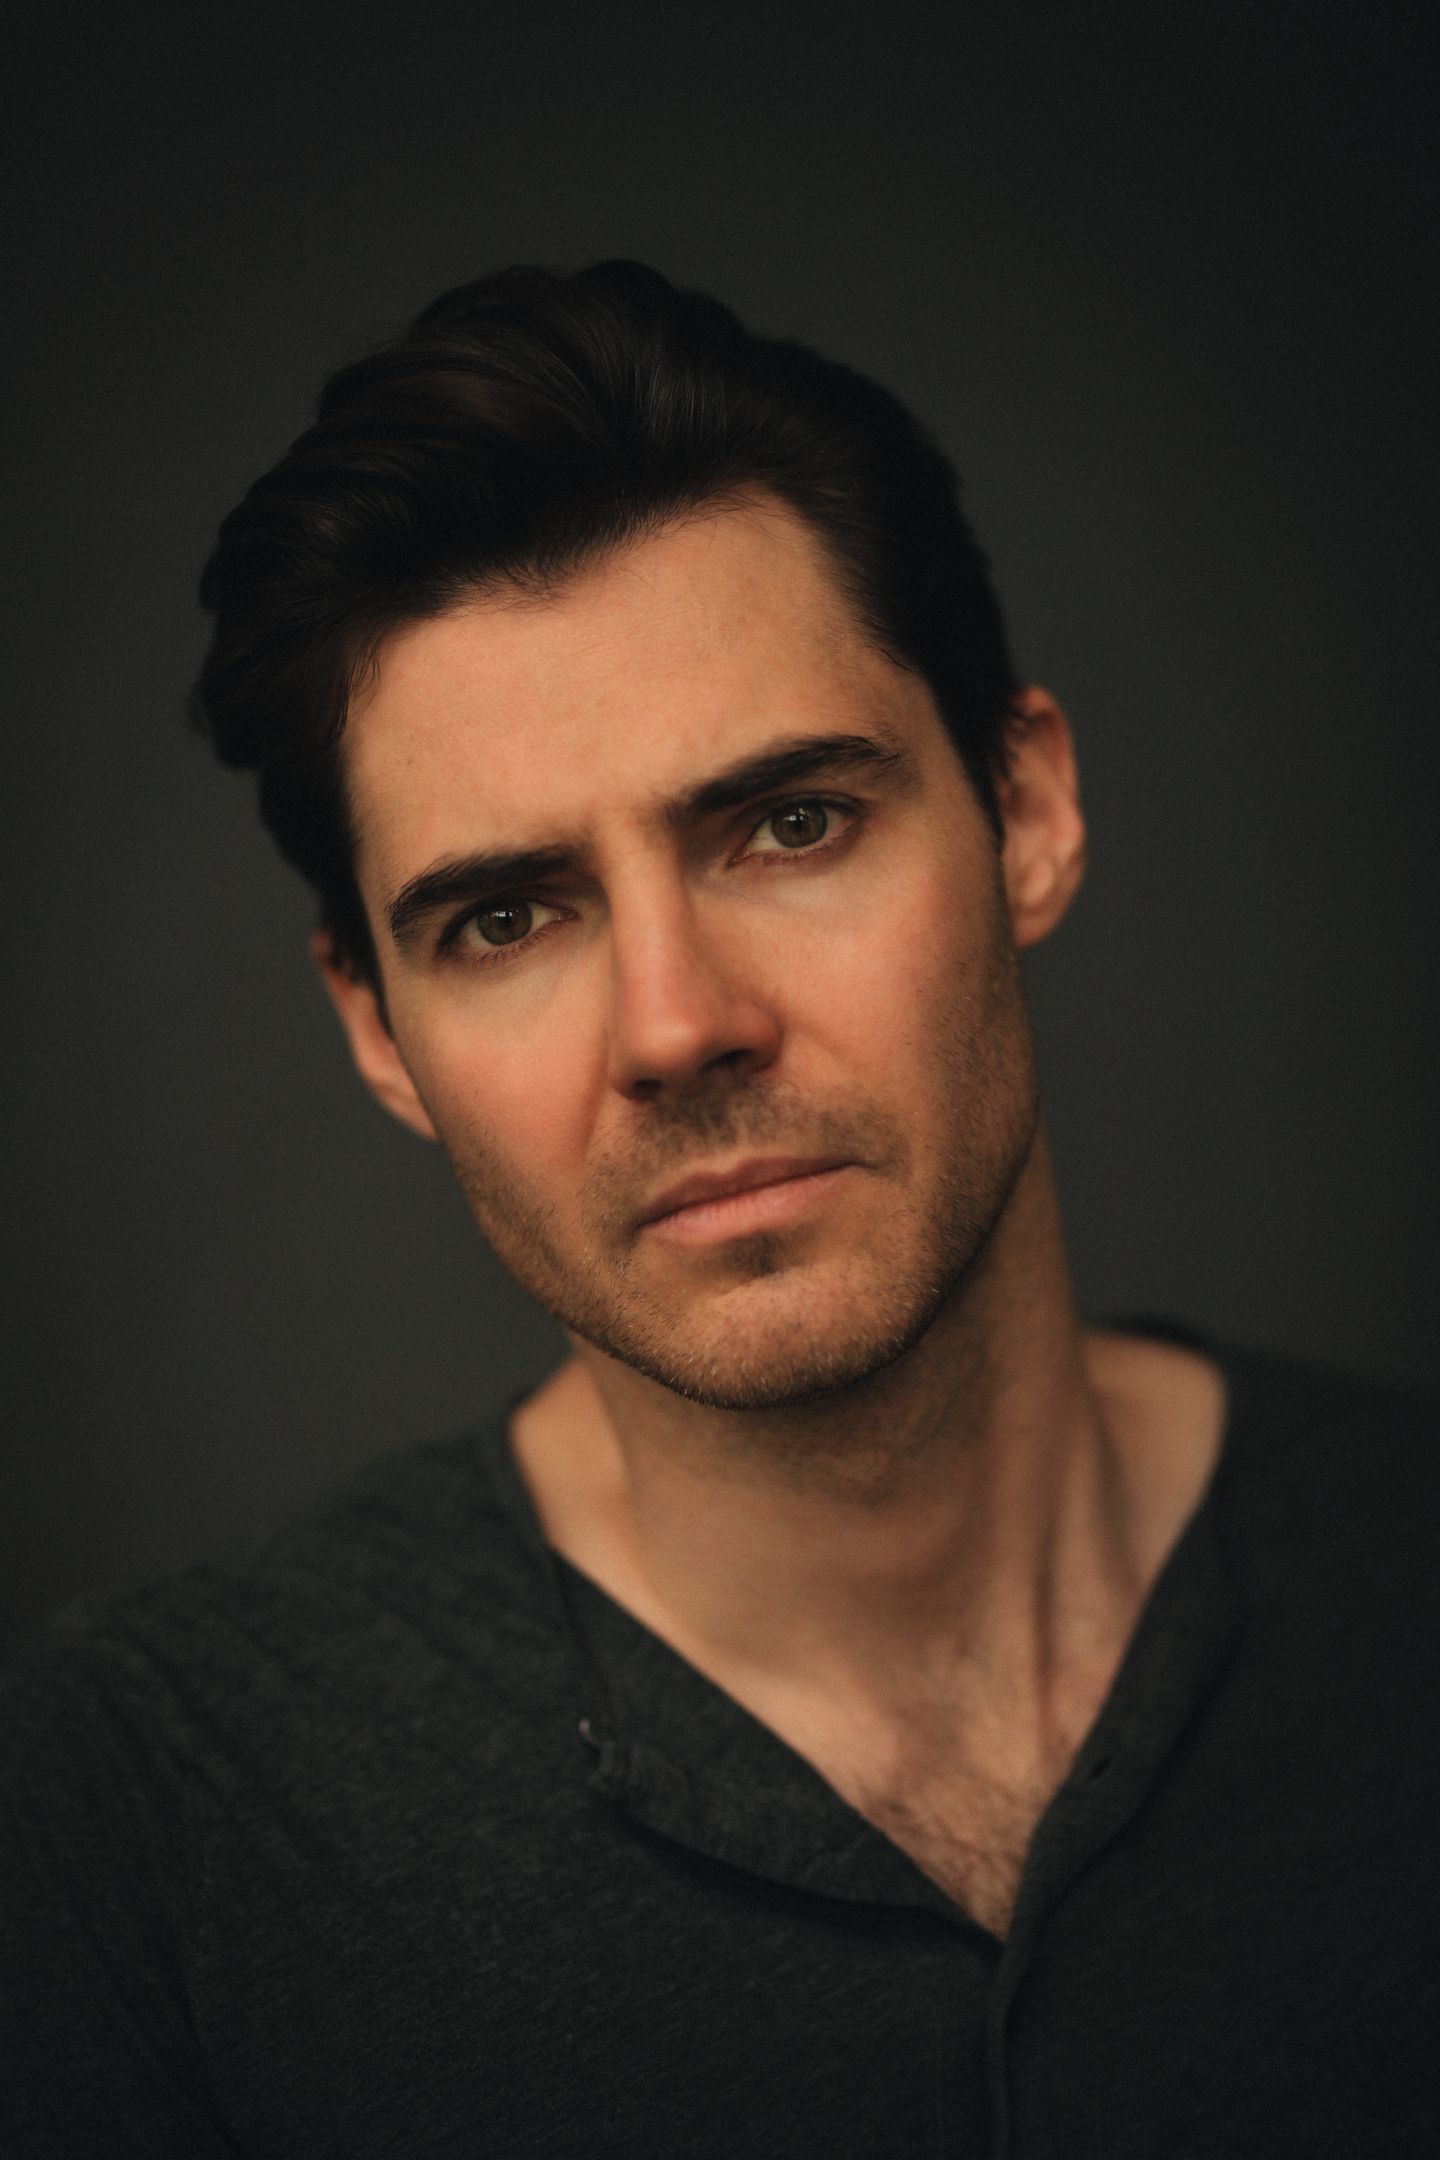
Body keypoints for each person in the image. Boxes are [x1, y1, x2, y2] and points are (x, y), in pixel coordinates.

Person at [3, 261, 1437, 2159]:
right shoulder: (134, 1808)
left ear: (1025, 813)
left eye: (791, 823)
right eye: (505, 918)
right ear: (375, 1029)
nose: (678, 1026)